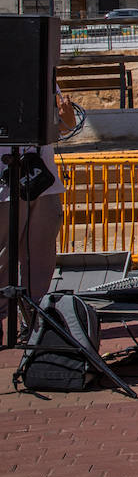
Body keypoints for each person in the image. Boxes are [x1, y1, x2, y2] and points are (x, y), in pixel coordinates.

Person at [1, 91, 77, 333]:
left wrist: (66, 116)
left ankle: (34, 318)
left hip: (43, 180)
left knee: (41, 256)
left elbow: (66, 127)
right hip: (4, 184)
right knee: (2, 255)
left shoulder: (42, 68)